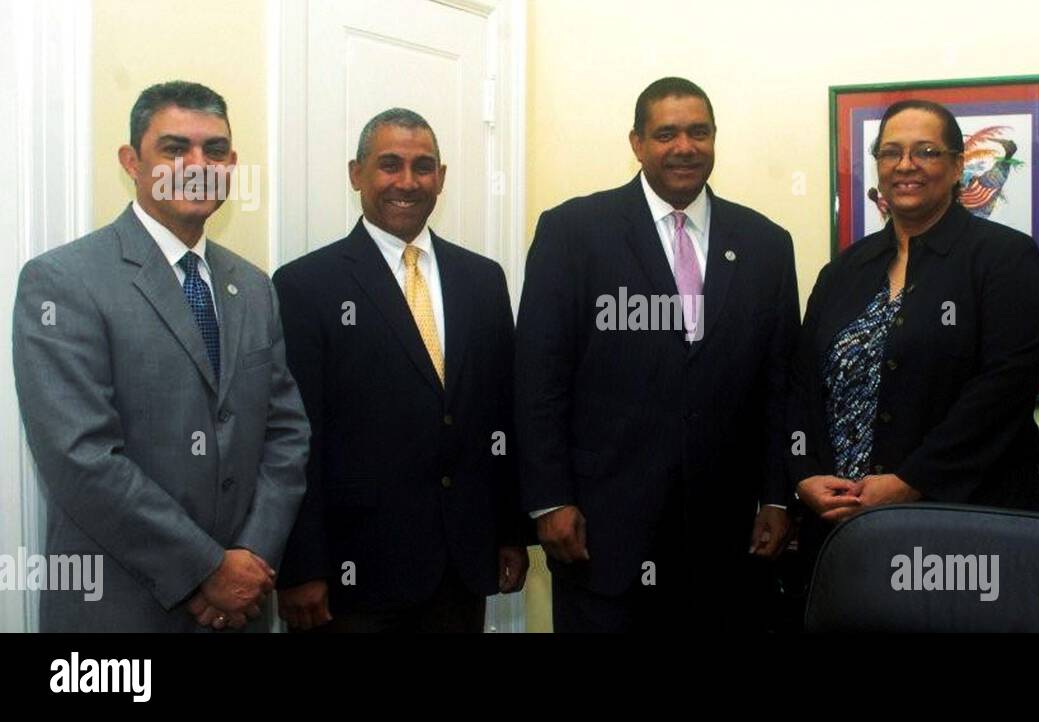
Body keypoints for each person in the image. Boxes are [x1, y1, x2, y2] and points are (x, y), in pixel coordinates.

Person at [12, 80, 310, 632]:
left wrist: (249, 562)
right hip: (122, 613)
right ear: (131, 161)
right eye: (175, 149)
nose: (198, 165)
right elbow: (81, 458)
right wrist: (206, 570)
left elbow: (286, 435)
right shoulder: (63, 282)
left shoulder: (253, 286)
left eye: (215, 150)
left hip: (242, 607)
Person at [515, 77, 800, 632]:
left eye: (699, 132)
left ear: (715, 139)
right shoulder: (572, 232)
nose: (684, 147)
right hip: (603, 538)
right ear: (637, 143)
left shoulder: (766, 243)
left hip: (727, 542)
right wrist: (549, 501)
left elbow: (779, 383)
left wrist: (776, 497)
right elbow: (538, 379)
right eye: (666, 133)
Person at [272, 108, 529, 633]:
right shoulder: (306, 286)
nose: (407, 182)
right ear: (356, 173)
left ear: (442, 177)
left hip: (460, 569)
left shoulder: (482, 280)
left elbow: (499, 417)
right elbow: (296, 440)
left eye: (423, 166)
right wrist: (302, 567)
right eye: (389, 165)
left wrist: (510, 531)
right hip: (355, 578)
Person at [788, 100, 1039, 553]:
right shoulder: (844, 270)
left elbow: (1004, 389)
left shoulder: (1002, 258)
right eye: (891, 152)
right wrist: (804, 475)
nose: (905, 165)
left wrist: (913, 480)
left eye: (926, 151)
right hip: (845, 524)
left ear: (956, 167)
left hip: (968, 523)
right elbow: (802, 383)